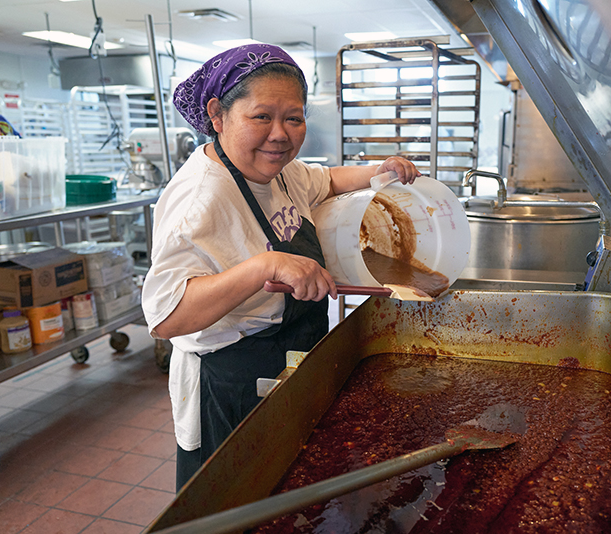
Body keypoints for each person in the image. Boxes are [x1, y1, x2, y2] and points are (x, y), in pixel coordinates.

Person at [141, 43, 420, 492]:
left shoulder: (279, 170)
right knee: (236, 501)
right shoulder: (199, 199)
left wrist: (380, 171)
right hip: (233, 376)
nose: (280, 134)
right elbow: (166, 316)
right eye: (261, 117)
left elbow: (328, 179)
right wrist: (264, 266)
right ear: (217, 115)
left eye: (294, 118)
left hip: (292, 352)